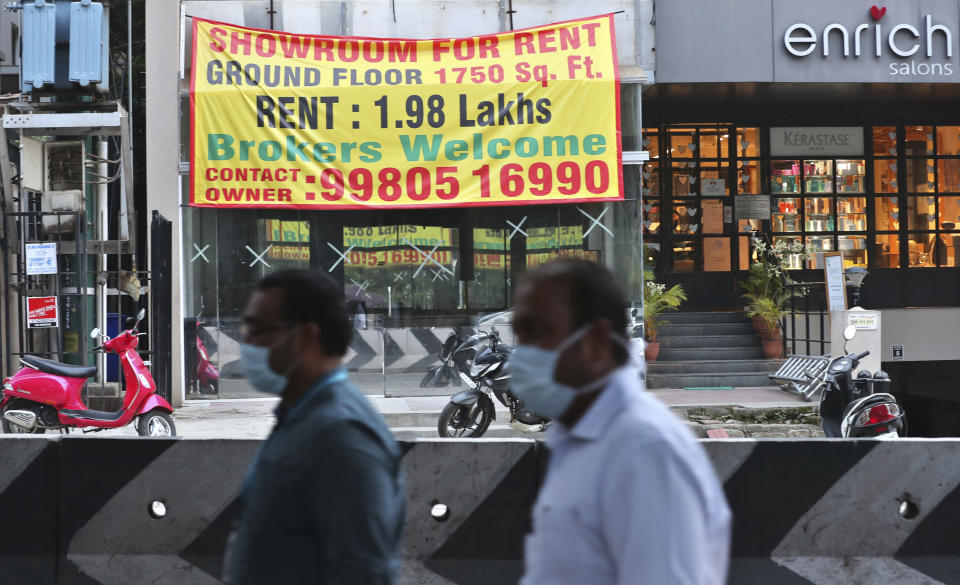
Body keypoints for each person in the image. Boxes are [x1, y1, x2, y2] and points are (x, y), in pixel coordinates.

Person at [511, 260, 731, 585]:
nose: (522, 352)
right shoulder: (580, 436)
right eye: (520, 334)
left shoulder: (643, 449)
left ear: (597, 341)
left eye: (539, 332)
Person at [224, 269, 405, 585]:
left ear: (306, 336)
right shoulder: (301, 417)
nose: (246, 342)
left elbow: (364, 573)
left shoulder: (342, 438)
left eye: (257, 329)